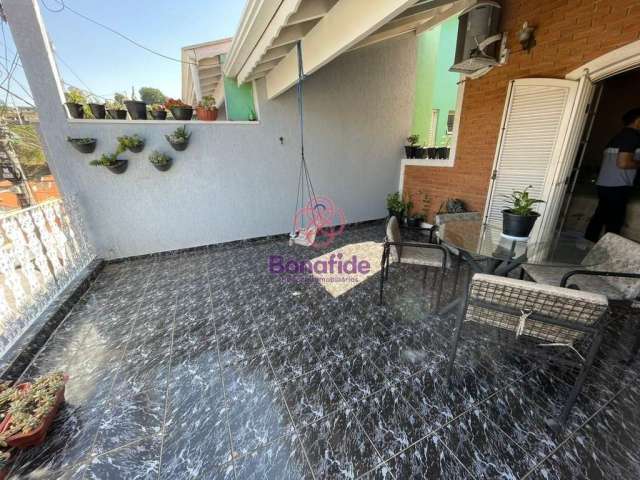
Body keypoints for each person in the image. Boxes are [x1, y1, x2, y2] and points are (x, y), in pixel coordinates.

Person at [585, 108, 640, 242]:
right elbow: (623, 163)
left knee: (599, 217)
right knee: (614, 222)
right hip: (618, 185)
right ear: (638, 120)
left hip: (604, 184)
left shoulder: (617, 137)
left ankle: (585, 246)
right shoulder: (632, 136)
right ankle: (607, 253)